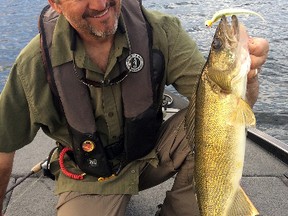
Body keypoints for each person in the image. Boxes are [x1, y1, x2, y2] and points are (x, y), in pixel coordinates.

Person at [0, 0, 269, 215]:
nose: (99, 4)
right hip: (91, 173)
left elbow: (224, 108)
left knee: (206, 123)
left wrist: (248, 75)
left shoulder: (162, 30)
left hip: (149, 152)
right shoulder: (34, 64)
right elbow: (2, 150)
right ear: (56, 4)